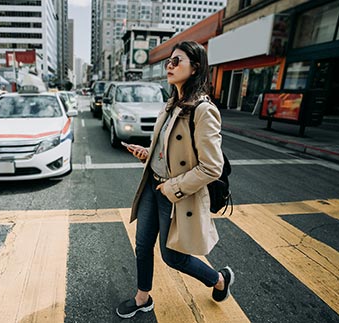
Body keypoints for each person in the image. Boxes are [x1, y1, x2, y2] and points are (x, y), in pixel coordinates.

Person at [116, 41, 234, 319]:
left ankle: (219, 279)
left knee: (173, 257)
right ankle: (142, 297)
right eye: (167, 61)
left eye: (176, 61)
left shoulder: (203, 111)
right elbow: (168, 150)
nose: (169, 66)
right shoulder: (171, 104)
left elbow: (212, 167)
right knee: (143, 245)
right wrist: (148, 154)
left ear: (195, 68)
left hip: (175, 195)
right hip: (152, 186)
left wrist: (173, 187)